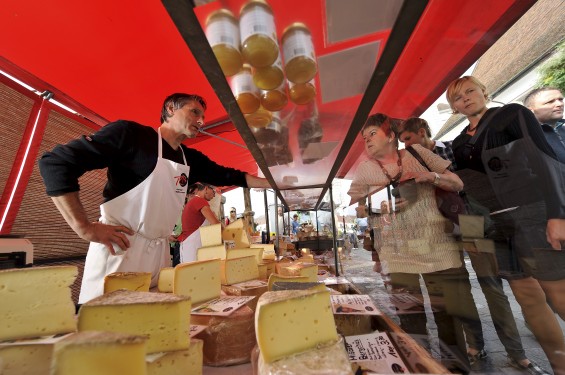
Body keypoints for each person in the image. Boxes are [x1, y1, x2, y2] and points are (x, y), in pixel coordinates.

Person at [39, 93, 270, 303]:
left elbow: (231, 175)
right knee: (107, 334)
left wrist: (274, 183)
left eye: (203, 116)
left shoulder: (190, 159)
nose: (201, 121)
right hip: (120, 250)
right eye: (194, 112)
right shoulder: (131, 136)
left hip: (160, 255)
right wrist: (84, 228)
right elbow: (55, 163)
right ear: (170, 108)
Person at [396, 116, 540, 369]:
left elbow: (470, 187)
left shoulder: (452, 149)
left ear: (421, 132)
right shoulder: (409, 163)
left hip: (472, 221)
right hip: (440, 232)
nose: (405, 145)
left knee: (491, 285)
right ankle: (476, 345)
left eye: (407, 139)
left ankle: (515, 351)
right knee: (460, 292)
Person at [447, 76, 565, 374]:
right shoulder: (460, 143)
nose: (466, 99)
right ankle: (560, 365)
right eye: (458, 98)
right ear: (454, 107)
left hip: (533, 215)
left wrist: (557, 214)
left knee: (559, 293)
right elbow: (469, 193)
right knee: (527, 299)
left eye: (470, 91)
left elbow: (544, 159)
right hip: (497, 226)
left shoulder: (512, 114)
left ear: (483, 91)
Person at [348, 113, 483, 369]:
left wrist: (430, 177)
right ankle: (420, 367)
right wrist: (379, 206)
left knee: (448, 316)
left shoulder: (418, 153)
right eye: (364, 138)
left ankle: (454, 369)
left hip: (438, 248)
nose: (367, 141)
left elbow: (457, 183)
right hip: (397, 253)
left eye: (372, 134)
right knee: (410, 317)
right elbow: (358, 209)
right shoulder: (365, 170)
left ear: (390, 135)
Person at [172, 183, 219, 263]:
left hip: (191, 245)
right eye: (214, 192)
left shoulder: (193, 202)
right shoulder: (200, 201)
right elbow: (216, 224)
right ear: (206, 188)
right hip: (192, 246)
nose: (214, 195)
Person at [524, 87, 565, 162]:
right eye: (550, 102)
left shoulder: (563, 129)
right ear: (530, 111)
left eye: (560, 99)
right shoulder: (527, 139)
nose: (560, 104)